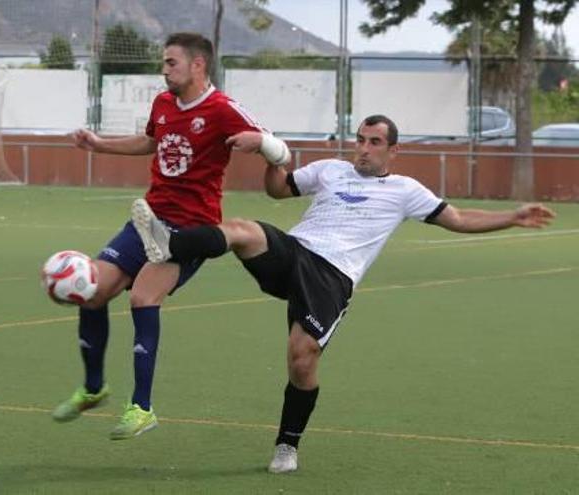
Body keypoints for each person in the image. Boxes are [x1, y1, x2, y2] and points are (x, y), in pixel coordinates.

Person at [131, 114, 555, 472]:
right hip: (295, 252)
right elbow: (277, 190)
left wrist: (512, 216)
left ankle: (287, 443)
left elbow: (459, 219)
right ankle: (170, 244)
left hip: (332, 278)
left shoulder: (405, 190)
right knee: (243, 229)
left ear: (393, 151)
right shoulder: (330, 170)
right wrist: (270, 151)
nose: (364, 149)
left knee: (301, 360)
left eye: (374, 143)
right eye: (360, 140)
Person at [51, 32, 290, 440]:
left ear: (198, 65)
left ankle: (141, 408)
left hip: (190, 230)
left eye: (171, 63)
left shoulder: (223, 109)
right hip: (148, 219)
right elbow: (151, 141)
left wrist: (264, 143)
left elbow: (282, 152)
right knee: (91, 291)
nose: (164, 70)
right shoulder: (163, 103)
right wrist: (100, 146)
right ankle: (94, 388)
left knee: (144, 297)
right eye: (164, 63)